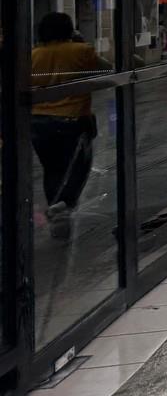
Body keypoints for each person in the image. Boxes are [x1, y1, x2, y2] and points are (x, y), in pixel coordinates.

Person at [31, 12, 103, 240]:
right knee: (80, 166)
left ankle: (57, 214)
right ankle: (64, 204)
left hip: (39, 123)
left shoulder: (33, 55)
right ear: (70, 29)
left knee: (52, 170)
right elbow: (110, 69)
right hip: (73, 121)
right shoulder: (81, 51)